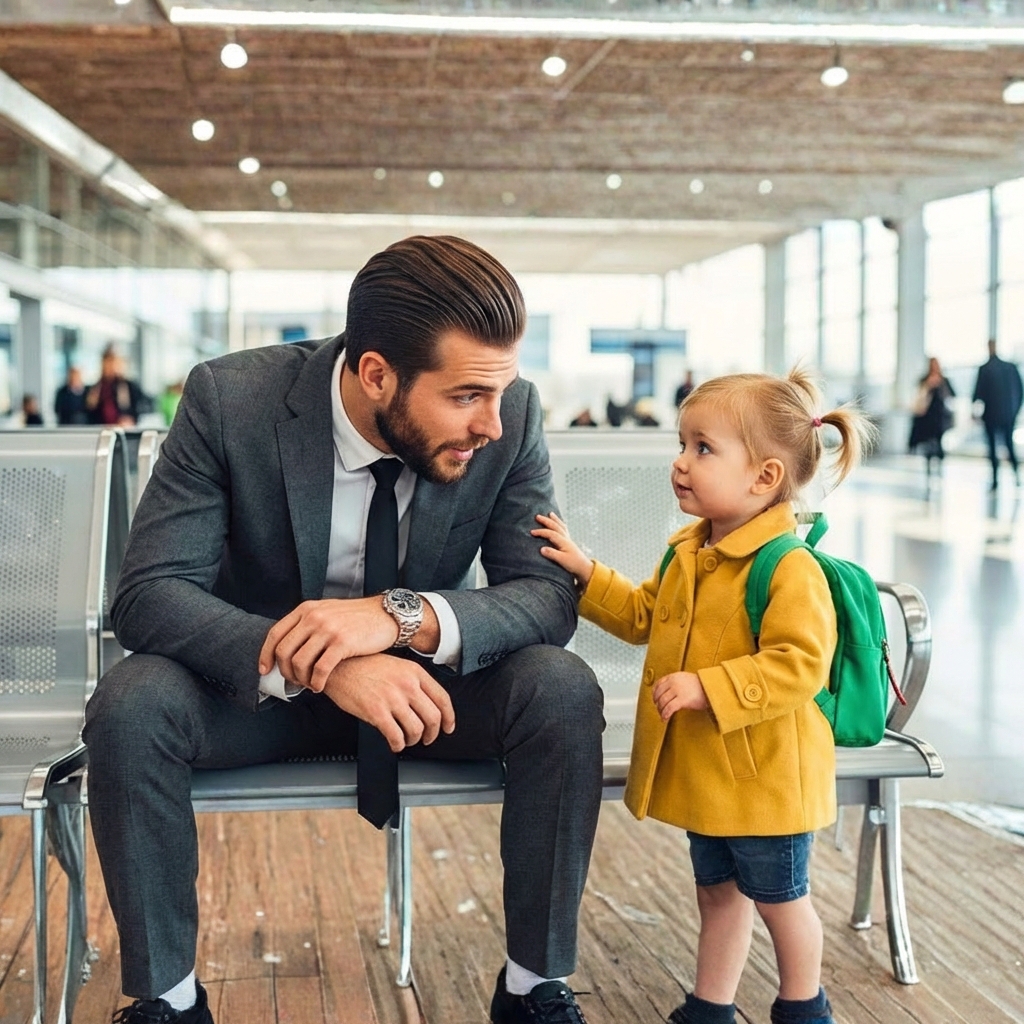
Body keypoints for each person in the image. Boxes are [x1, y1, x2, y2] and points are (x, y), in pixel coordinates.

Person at [83, 236, 603, 1024]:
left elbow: (544, 596)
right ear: (375, 375)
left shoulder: (511, 413)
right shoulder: (231, 401)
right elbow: (150, 593)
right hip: (259, 692)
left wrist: (399, 619)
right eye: (465, 396)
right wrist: (329, 666)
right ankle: (168, 1001)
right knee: (131, 704)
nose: (493, 423)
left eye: (500, 392)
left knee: (561, 688)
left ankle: (535, 990)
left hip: (422, 691)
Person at [533, 368, 875, 1024]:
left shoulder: (787, 566)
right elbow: (642, 616)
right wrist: (584, 570)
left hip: (767, 779)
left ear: (765, 477)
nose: (680, 463)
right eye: (683, 445)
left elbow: (800, 665)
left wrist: (708, 687)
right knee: (718, 897)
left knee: (781, 900)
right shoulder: (688, 552)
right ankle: (710, 1006)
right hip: (714, 777)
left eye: (702, 448)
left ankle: (805, 1007)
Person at [973, 339, 1024, 490]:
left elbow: (977, 394)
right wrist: (1014, 411)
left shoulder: (985, 369)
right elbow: (1021, 392)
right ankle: (1016, 477)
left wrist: (975, 412)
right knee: (1008, 446)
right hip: (1008, 415)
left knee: (993, 448)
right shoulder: (1010, 367)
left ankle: (996, 480)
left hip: (992, 415)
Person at [908, 357, 955, 477]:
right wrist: (928, 385)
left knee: (938, 444)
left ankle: (939, 468)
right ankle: (928, 468)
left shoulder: (944, 380)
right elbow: (918, 396)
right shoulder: (924, 380)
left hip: (940, 418)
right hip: (926, 418)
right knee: (928, 445)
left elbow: (952, 395)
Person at [85, 345, 147, 426]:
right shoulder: (96, 388)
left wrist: (131, 419)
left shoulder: (129, 386)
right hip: (102, 429)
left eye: (113, 362)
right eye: (107, 363)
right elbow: (89, 412)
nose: (110, 367)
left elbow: (143, 406)